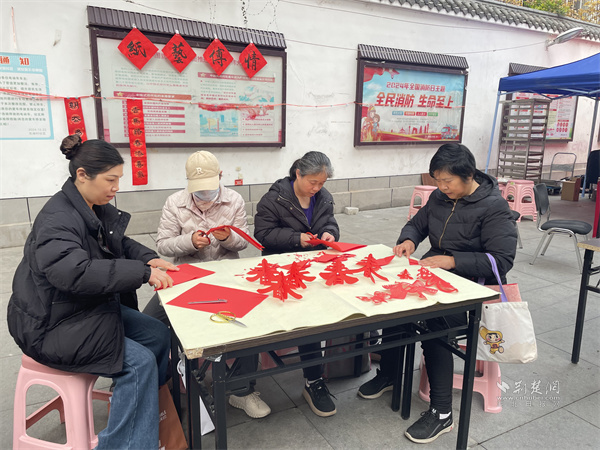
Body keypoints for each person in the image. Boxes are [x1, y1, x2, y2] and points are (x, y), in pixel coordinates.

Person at [7, 134, 177, 449]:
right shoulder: (58, 219)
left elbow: (119, 243)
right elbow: (75, 272)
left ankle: (143, 413)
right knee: (138, 362)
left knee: (156, 334)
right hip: (50, 323)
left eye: (118, 179)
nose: (116, 187)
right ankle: (125, 442)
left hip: (81, 308)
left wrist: (148, 259)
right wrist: (142, 273)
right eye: (110, 180)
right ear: (83, 175)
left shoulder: (90, 207)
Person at [357, 143, 517, 444]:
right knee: (394, 302)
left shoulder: (494, 206)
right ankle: (389, 373)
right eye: (438, 181)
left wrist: (452, 261)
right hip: (436, 273)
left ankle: (442, 412)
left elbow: (501, 260)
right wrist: (408, 240)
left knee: (436, 321)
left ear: (468, 175)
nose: (442, 187)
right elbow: (417, 224)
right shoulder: (440, 198)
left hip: (472, 287)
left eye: (448, 181)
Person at [143, 150, 271, 419]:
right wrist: (189, 241)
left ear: (220, 177)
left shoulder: (233, 199)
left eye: (209, 187)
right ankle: (162, 380)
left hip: (226, 273)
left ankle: (241, 389)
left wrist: (227, 239)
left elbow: (242, 242)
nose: (205, 194)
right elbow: (163, 245)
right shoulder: (175, 202)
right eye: (199, 188)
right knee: (148, 323)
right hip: (185, 275)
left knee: (250, 321)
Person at [254, 151, 340, 417]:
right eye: (313, 182)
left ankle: (318, 375)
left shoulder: (323, 197)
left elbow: (330, 222)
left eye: (322, 183)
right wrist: (296, 239)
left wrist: (330, 233)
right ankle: (313, 379)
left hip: (315, 265)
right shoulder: (274, 199)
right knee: (306, 318)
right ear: (298, 174)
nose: (317, 188)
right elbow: (262, 234)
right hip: (283, 269)